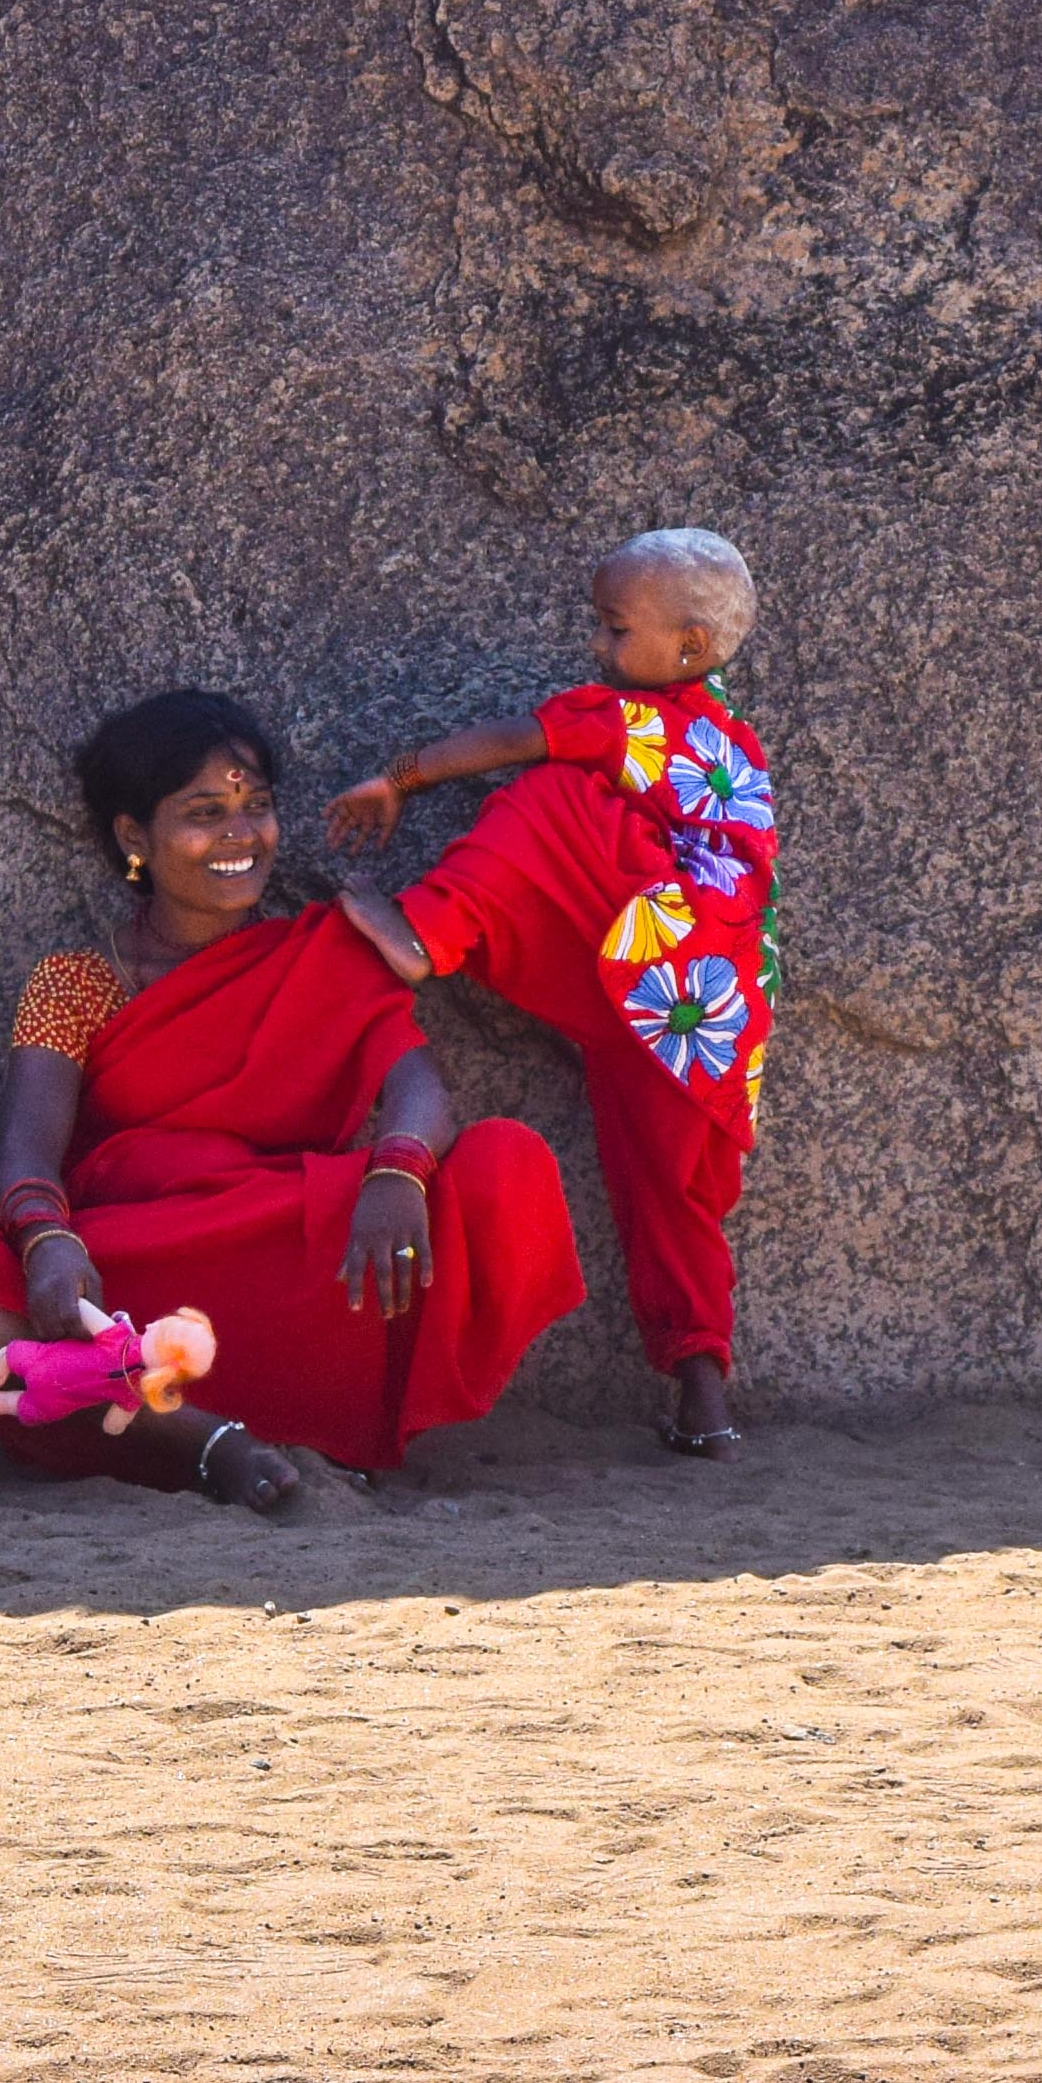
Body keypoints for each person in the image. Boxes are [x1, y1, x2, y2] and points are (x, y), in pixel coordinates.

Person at [0, 689, 578, 1507]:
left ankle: (236, 1419)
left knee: (505, 1162)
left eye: (258, 807)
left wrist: (397, 1174)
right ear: (135, 836)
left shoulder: (327, 950)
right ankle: (201, 1439)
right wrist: (47, 1246)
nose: (241, 834)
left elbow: (417, 1088)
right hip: (136, 1281)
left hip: (309, 1261)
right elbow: (27, 1153)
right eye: (206, 811)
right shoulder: (77, 981)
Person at [325, 528, 772, 1457]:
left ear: (687, 648)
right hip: (700, 1014)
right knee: (672, 1200)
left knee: (546, 798)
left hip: (652, 958)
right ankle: (705, 1400)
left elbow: (511, 740)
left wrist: (398, 777)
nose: (597, 650)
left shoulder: (631, 719)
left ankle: (430, 929)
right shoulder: (730, 741)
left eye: (614, 630)